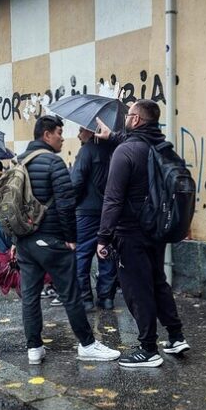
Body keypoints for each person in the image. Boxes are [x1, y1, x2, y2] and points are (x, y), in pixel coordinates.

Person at [14, 114, 120, 365]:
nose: (63, 138)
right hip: (52, 241)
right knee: (71, 294)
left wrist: (14, 239)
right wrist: (71, 238)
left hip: (25, 242)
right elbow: (65, 203)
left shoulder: (20, 162)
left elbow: (12, 205)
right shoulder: (54, 163)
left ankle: (34, 349)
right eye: (59, 133)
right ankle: (87, 344)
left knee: (30, 296)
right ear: (46, 134)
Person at [95, 100, 189, 368]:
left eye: (128, 115)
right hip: (156, 230)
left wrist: (103, 237)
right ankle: (175, 336)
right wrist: (112, 136)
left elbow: (112, 199)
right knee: (158, 281)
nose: (125, 118)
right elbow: (137, 144)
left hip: (129, 233)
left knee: (137, 289)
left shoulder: (124, 152)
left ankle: (148, 349)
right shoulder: (162, 147)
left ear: (136, 120)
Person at [71, 125, 117, 311]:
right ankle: (106, 298)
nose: (78, 133)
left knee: (82, 254)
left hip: (87, 211)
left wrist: (71, 205)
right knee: (106, 252)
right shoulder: (112, 151)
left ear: (91, 131)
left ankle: (85, 298)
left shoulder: (86, 151)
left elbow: (76, 182)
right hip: (109, 211)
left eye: (81, 129)